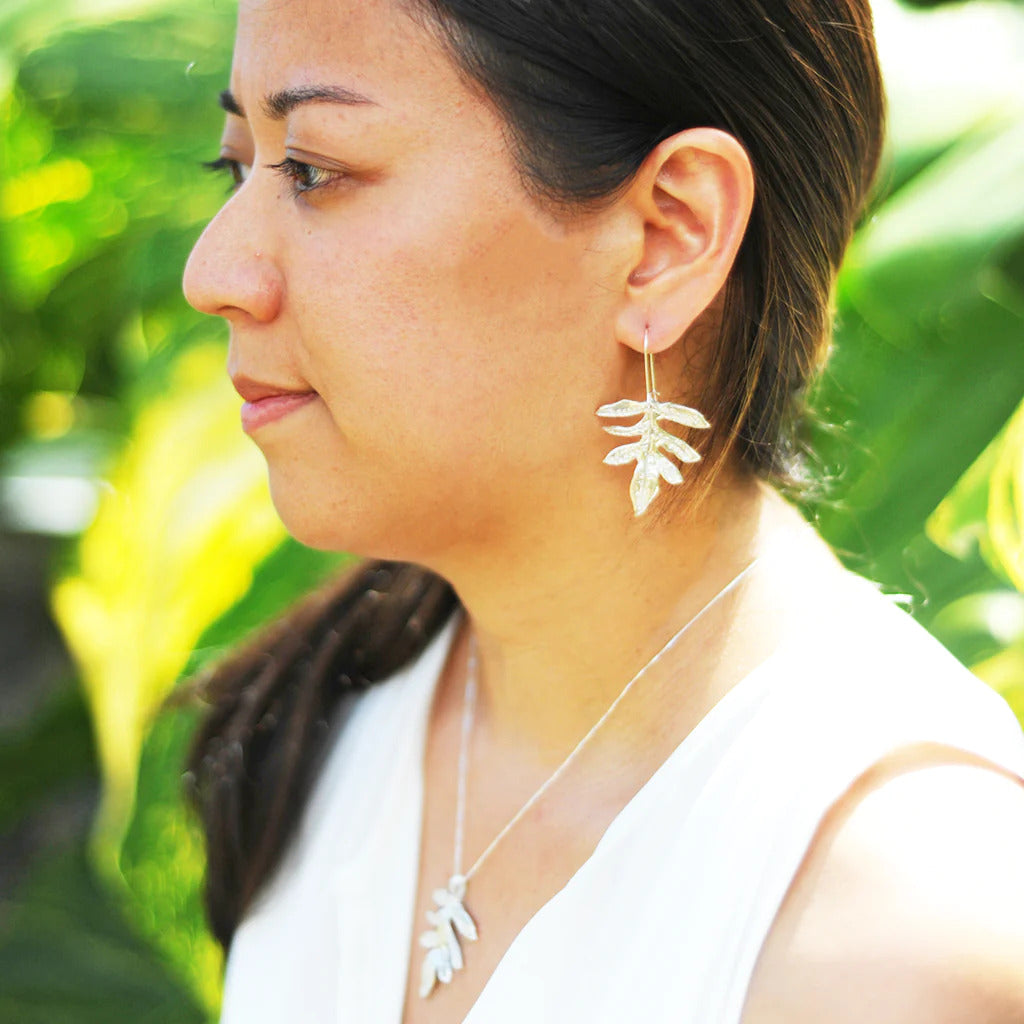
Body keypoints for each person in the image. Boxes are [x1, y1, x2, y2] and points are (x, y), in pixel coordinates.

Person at [179, 0, 1024, 1021]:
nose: (214, 274)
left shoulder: (899, 934)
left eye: (313, 169)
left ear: (668, 235)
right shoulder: (332, 720)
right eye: (236, 166)